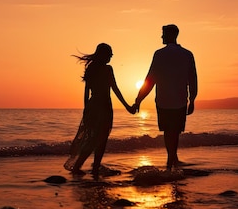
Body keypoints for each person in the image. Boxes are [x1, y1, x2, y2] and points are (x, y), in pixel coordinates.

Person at [133, 24, 198, 170]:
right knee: (175, 131)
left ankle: (171, 158)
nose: (161, 37)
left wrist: (139, 99)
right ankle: (172, 158)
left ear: (170, 35)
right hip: (180, 99)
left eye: (163, 34)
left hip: (163, 99)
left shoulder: (159, 54)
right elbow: (192, 78)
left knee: (168, 131)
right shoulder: (187, 54)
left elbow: (150, 79)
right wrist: (192, 99)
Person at [64, 43, 135, 176]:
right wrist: (127, 107)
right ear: (103, 55)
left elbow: (86, 92)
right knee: (101, 139)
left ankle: (78, 166)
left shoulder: (91, 68)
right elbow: (115, 89)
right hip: (104, 106)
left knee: (91, 138)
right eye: (109, 54)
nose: (111, 57)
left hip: (92, 105)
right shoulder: (107, 69)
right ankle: (94, 167)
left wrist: (86, 109)